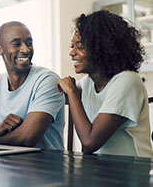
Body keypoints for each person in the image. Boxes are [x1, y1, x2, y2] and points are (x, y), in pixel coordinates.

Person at [57, 10, 153, 157]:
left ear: (101, 49)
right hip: (102, 171)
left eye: (80, 47)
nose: (72, 53)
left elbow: (90, 142)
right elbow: (54, 93)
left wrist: (71, 92)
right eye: (72, 46)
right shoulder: (88, 83)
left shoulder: (127, 81)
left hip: (135, 173)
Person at [0, 21, 65, 150]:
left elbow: (27, 137)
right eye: (16, 44)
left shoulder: (47, 80)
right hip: (4, 165)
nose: (26, 49)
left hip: (45, 166)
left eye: (29, 43)